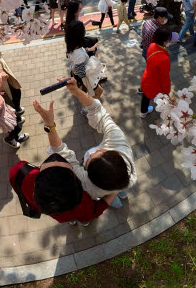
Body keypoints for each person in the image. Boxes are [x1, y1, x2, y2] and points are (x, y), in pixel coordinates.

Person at [9, 98, 117, 225]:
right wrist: (116, 189)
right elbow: (95, 211)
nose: (55, 158)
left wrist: (50, 125)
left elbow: (58, 150)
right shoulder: (84, 202)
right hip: (80, 212)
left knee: (69, 218)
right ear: (77, 183)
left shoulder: (18, 172)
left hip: (58, 215)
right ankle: (83, 222)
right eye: (68, 166)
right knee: (84, 218)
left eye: (48, 163)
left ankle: (71, 221)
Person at [45, 78, 135, 208]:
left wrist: (50, 125)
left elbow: (60, 154)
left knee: (108, 197)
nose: (94, 152)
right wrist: (76, 91)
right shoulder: (120, 143)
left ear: (88, 174)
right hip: (123, 180)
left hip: (104, 190)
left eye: (89, 160)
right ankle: (123, 193)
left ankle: (115, 201)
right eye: (100, 152)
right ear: (115, 154)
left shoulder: (87, 185)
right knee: (122, 187)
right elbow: (99, 112)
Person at [139, 27, 172, 117]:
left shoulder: (152, 45)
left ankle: (143, 112)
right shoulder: (164, 59)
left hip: (147, 76)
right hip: (155, 82)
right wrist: (167, 90)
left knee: (146, 96)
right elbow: (164, 77)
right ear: (164, 41)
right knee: (154, 96)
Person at [0, 46, 23, 115]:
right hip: (2, 87)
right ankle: (17, 120)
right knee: (10, 104)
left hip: (8, 81)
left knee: (17, 92)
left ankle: (17, 109)